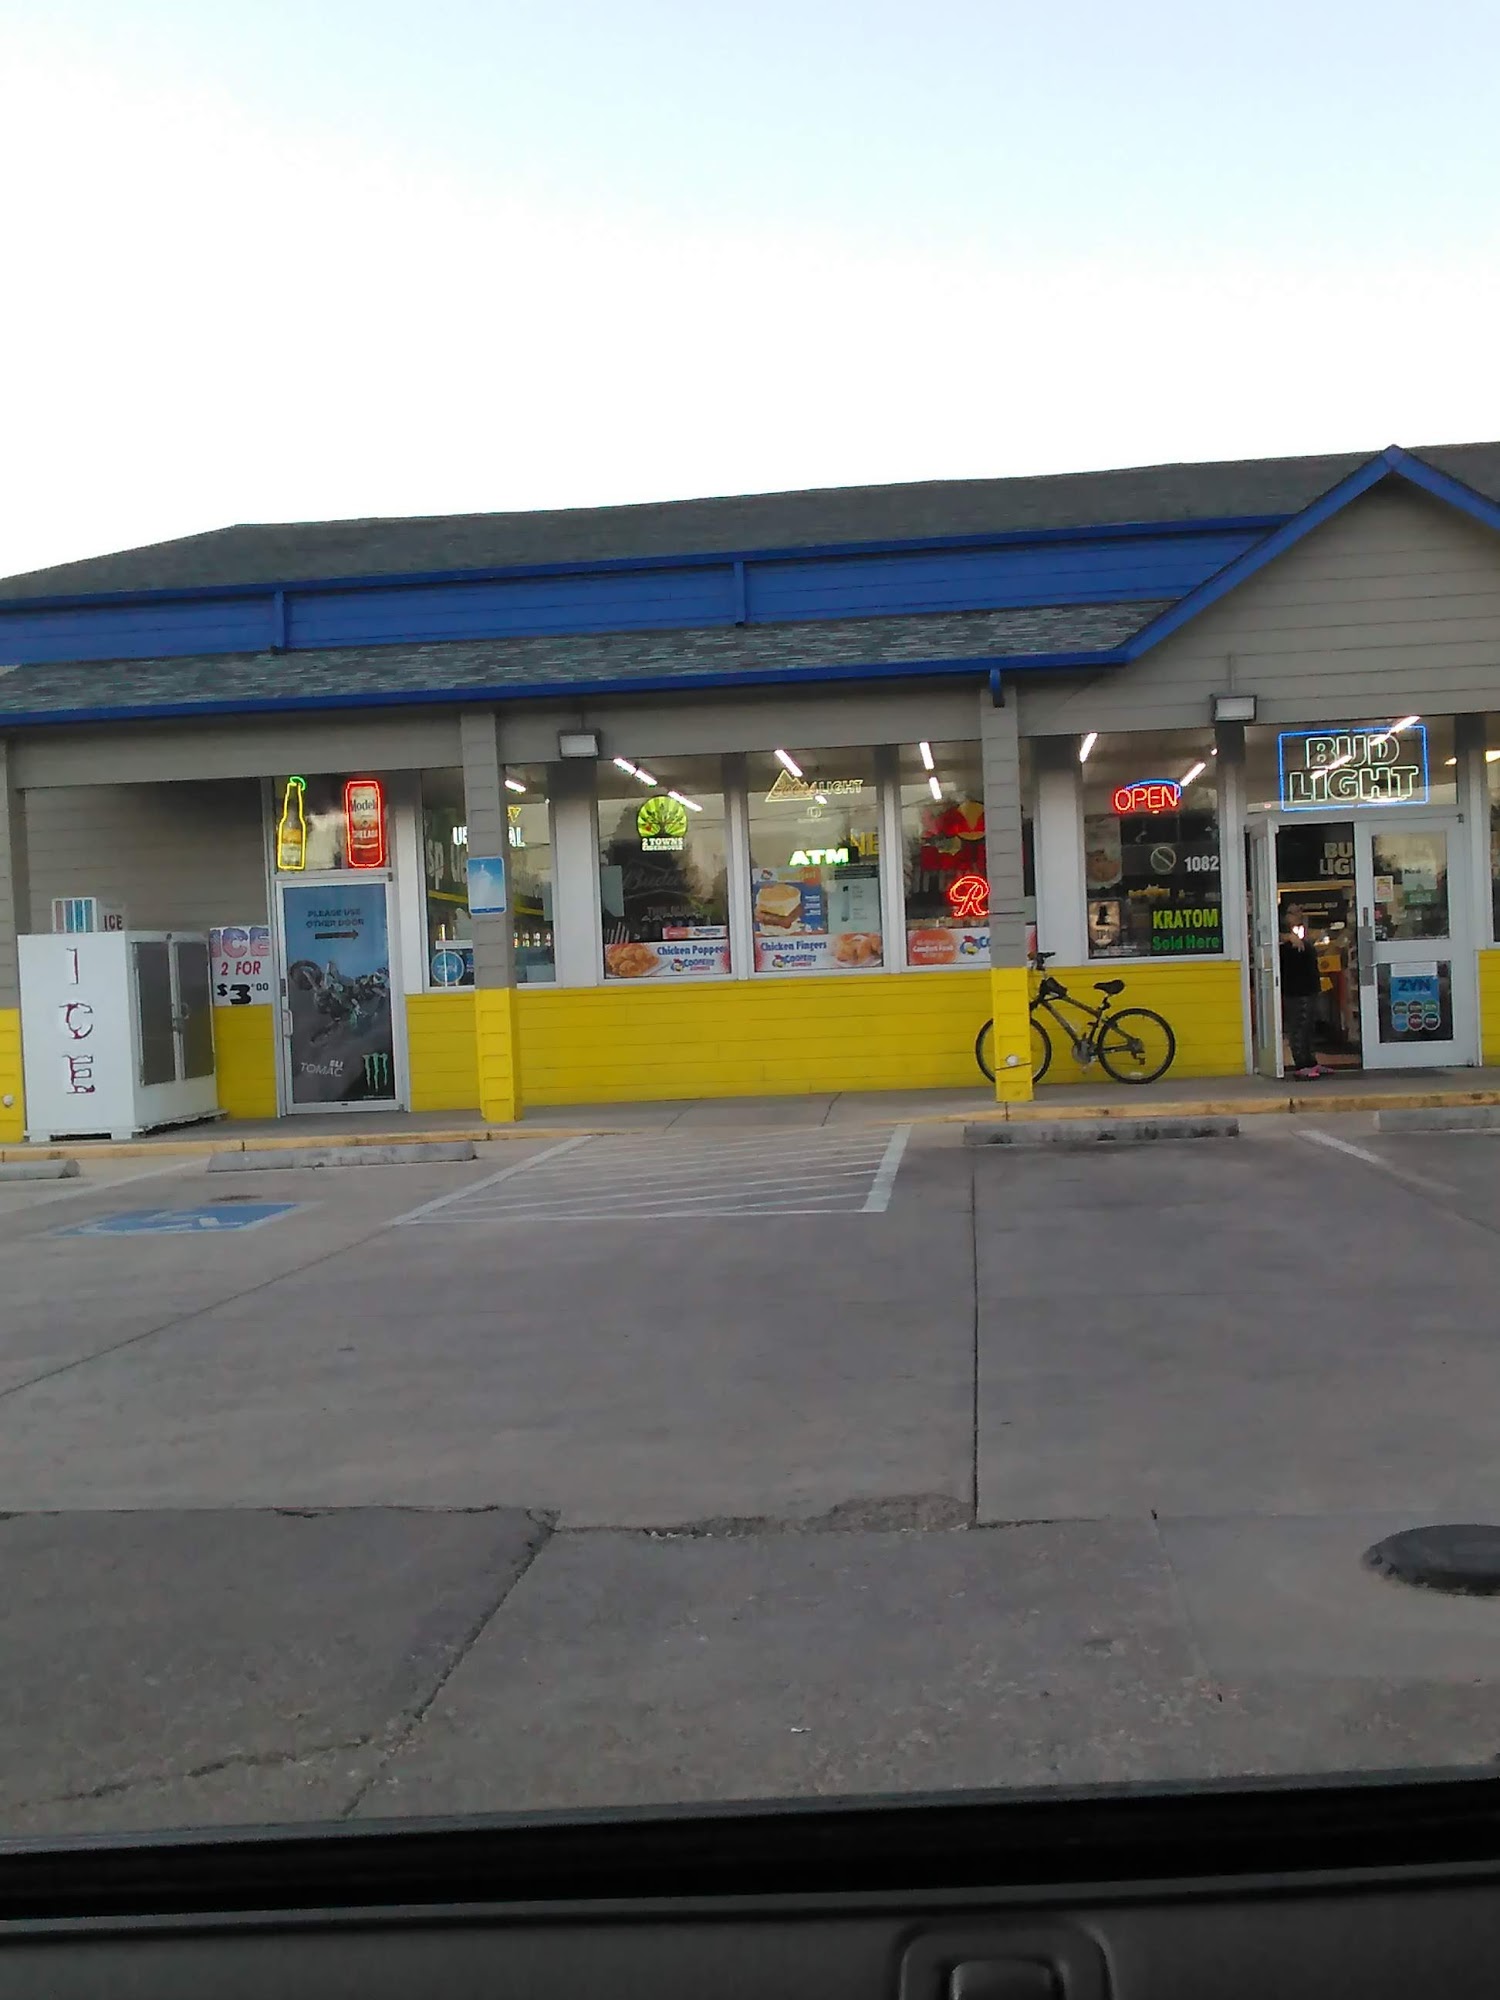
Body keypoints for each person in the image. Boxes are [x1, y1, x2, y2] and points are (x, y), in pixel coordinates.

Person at [1279, 903, 1323, 1079]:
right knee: (1299, 1025)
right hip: (1295, 988)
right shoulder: (1283, 937)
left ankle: (1311, 1061)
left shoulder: (1302, 933)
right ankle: (1301, 1063)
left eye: (1300, 911)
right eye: (1293, 912)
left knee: (1309, 1026)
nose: (1298, 915)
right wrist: (1288, 937)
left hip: (1309, 985)